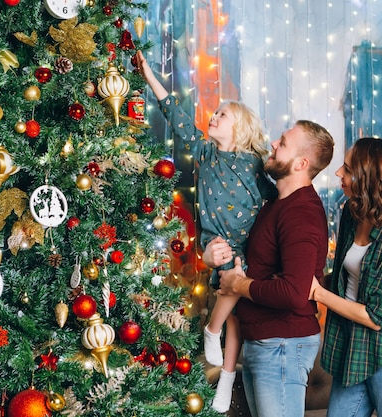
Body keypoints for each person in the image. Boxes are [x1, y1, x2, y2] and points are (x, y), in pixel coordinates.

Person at [135, 50, 278, 413]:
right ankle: (221, 355)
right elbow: (174, 112)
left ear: (240, 128)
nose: (213, 117)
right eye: (213, 114)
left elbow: (277, 201)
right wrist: (150, 76)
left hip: (244, 245)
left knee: (235, 313)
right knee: (231, 303)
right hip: (216, 242)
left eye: (222, 115)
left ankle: (224, 367)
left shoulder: (254, 164)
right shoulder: (204, 153)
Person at [207, 120, 335, 417]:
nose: (274, 144)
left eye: (283, 143)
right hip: (264, 342)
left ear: (301, 163)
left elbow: (293, 293)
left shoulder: (301, 213)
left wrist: (238, 285)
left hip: (283, 346)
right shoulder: (276, 202)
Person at [309, 137, 382, 417]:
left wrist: (318, 294)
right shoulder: (352, 214)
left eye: (348, 170)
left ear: (370, 180)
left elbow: (376, 317)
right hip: (354, 347)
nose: (339, 173)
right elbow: (345, 278)